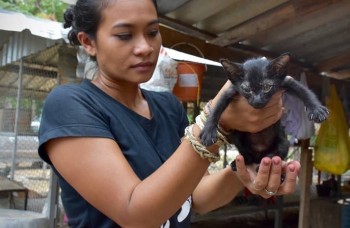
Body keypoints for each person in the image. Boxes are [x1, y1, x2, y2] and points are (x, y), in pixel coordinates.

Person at [38, 0, 301, 227]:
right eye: (124, 35)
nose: (145, 47)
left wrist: (244, 172)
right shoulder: (70, 105)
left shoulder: (168, 107)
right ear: (88, 42)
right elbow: (135, 215)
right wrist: (215, 120)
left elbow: (197, 197)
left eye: (152, 32)